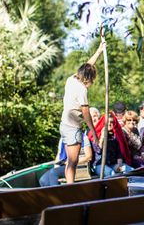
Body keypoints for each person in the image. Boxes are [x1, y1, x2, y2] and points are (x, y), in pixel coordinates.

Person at [59, 41, 104, 184]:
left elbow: (87, 66)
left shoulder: (71, 79)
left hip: (64, 125)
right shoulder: (82, 90)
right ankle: (71, 189)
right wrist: (95, 135)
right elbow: (86, 114)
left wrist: (99, 50)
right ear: (89, 78)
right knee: (73, 161)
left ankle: (69, 186)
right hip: (72, 128)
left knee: (70, 162)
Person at [89, 112, 134, 176]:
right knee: (111, 173)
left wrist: (119, 165)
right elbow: (98, 151)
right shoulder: (96, 135)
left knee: (130, 169)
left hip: (112, 164)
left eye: (112, 122)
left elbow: (119, 154)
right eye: (108, 122)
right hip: (99, 165)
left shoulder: (114, 136)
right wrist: (102, 137)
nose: (110, 124)